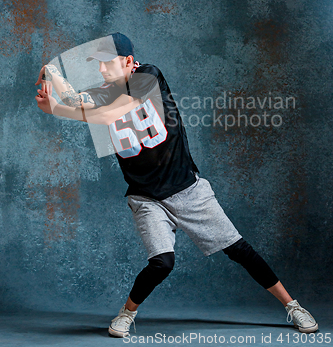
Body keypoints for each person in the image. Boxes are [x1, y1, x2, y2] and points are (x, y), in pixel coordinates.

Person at [35, 32, 318, 338]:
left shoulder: (147, 76)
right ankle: (127, 313)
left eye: (108, 63)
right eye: (98, 64)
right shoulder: (105, 91)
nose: (102, 70)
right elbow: (78, 100)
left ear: (129, 62)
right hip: (146, 197)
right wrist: (54, 74)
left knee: (239, 249)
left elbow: (109, 115)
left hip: (187, 188)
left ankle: (293, 306)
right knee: (162, 263)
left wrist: (58, 110)